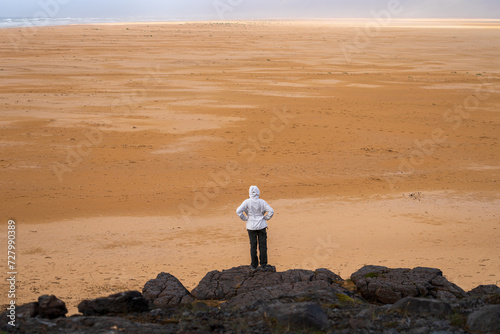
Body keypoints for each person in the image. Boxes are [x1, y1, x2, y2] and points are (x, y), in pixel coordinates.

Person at [236, 185, 274, 271]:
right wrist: (265, 218)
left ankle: (254, 265)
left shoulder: (246, 202)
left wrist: (245, 218)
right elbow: (271, 211)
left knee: (253, 246)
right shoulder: (262, 202)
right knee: (263, 246)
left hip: (251, 226)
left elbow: (238, 211)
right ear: (258, 192)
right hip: (262, 226)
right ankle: (263, 265)